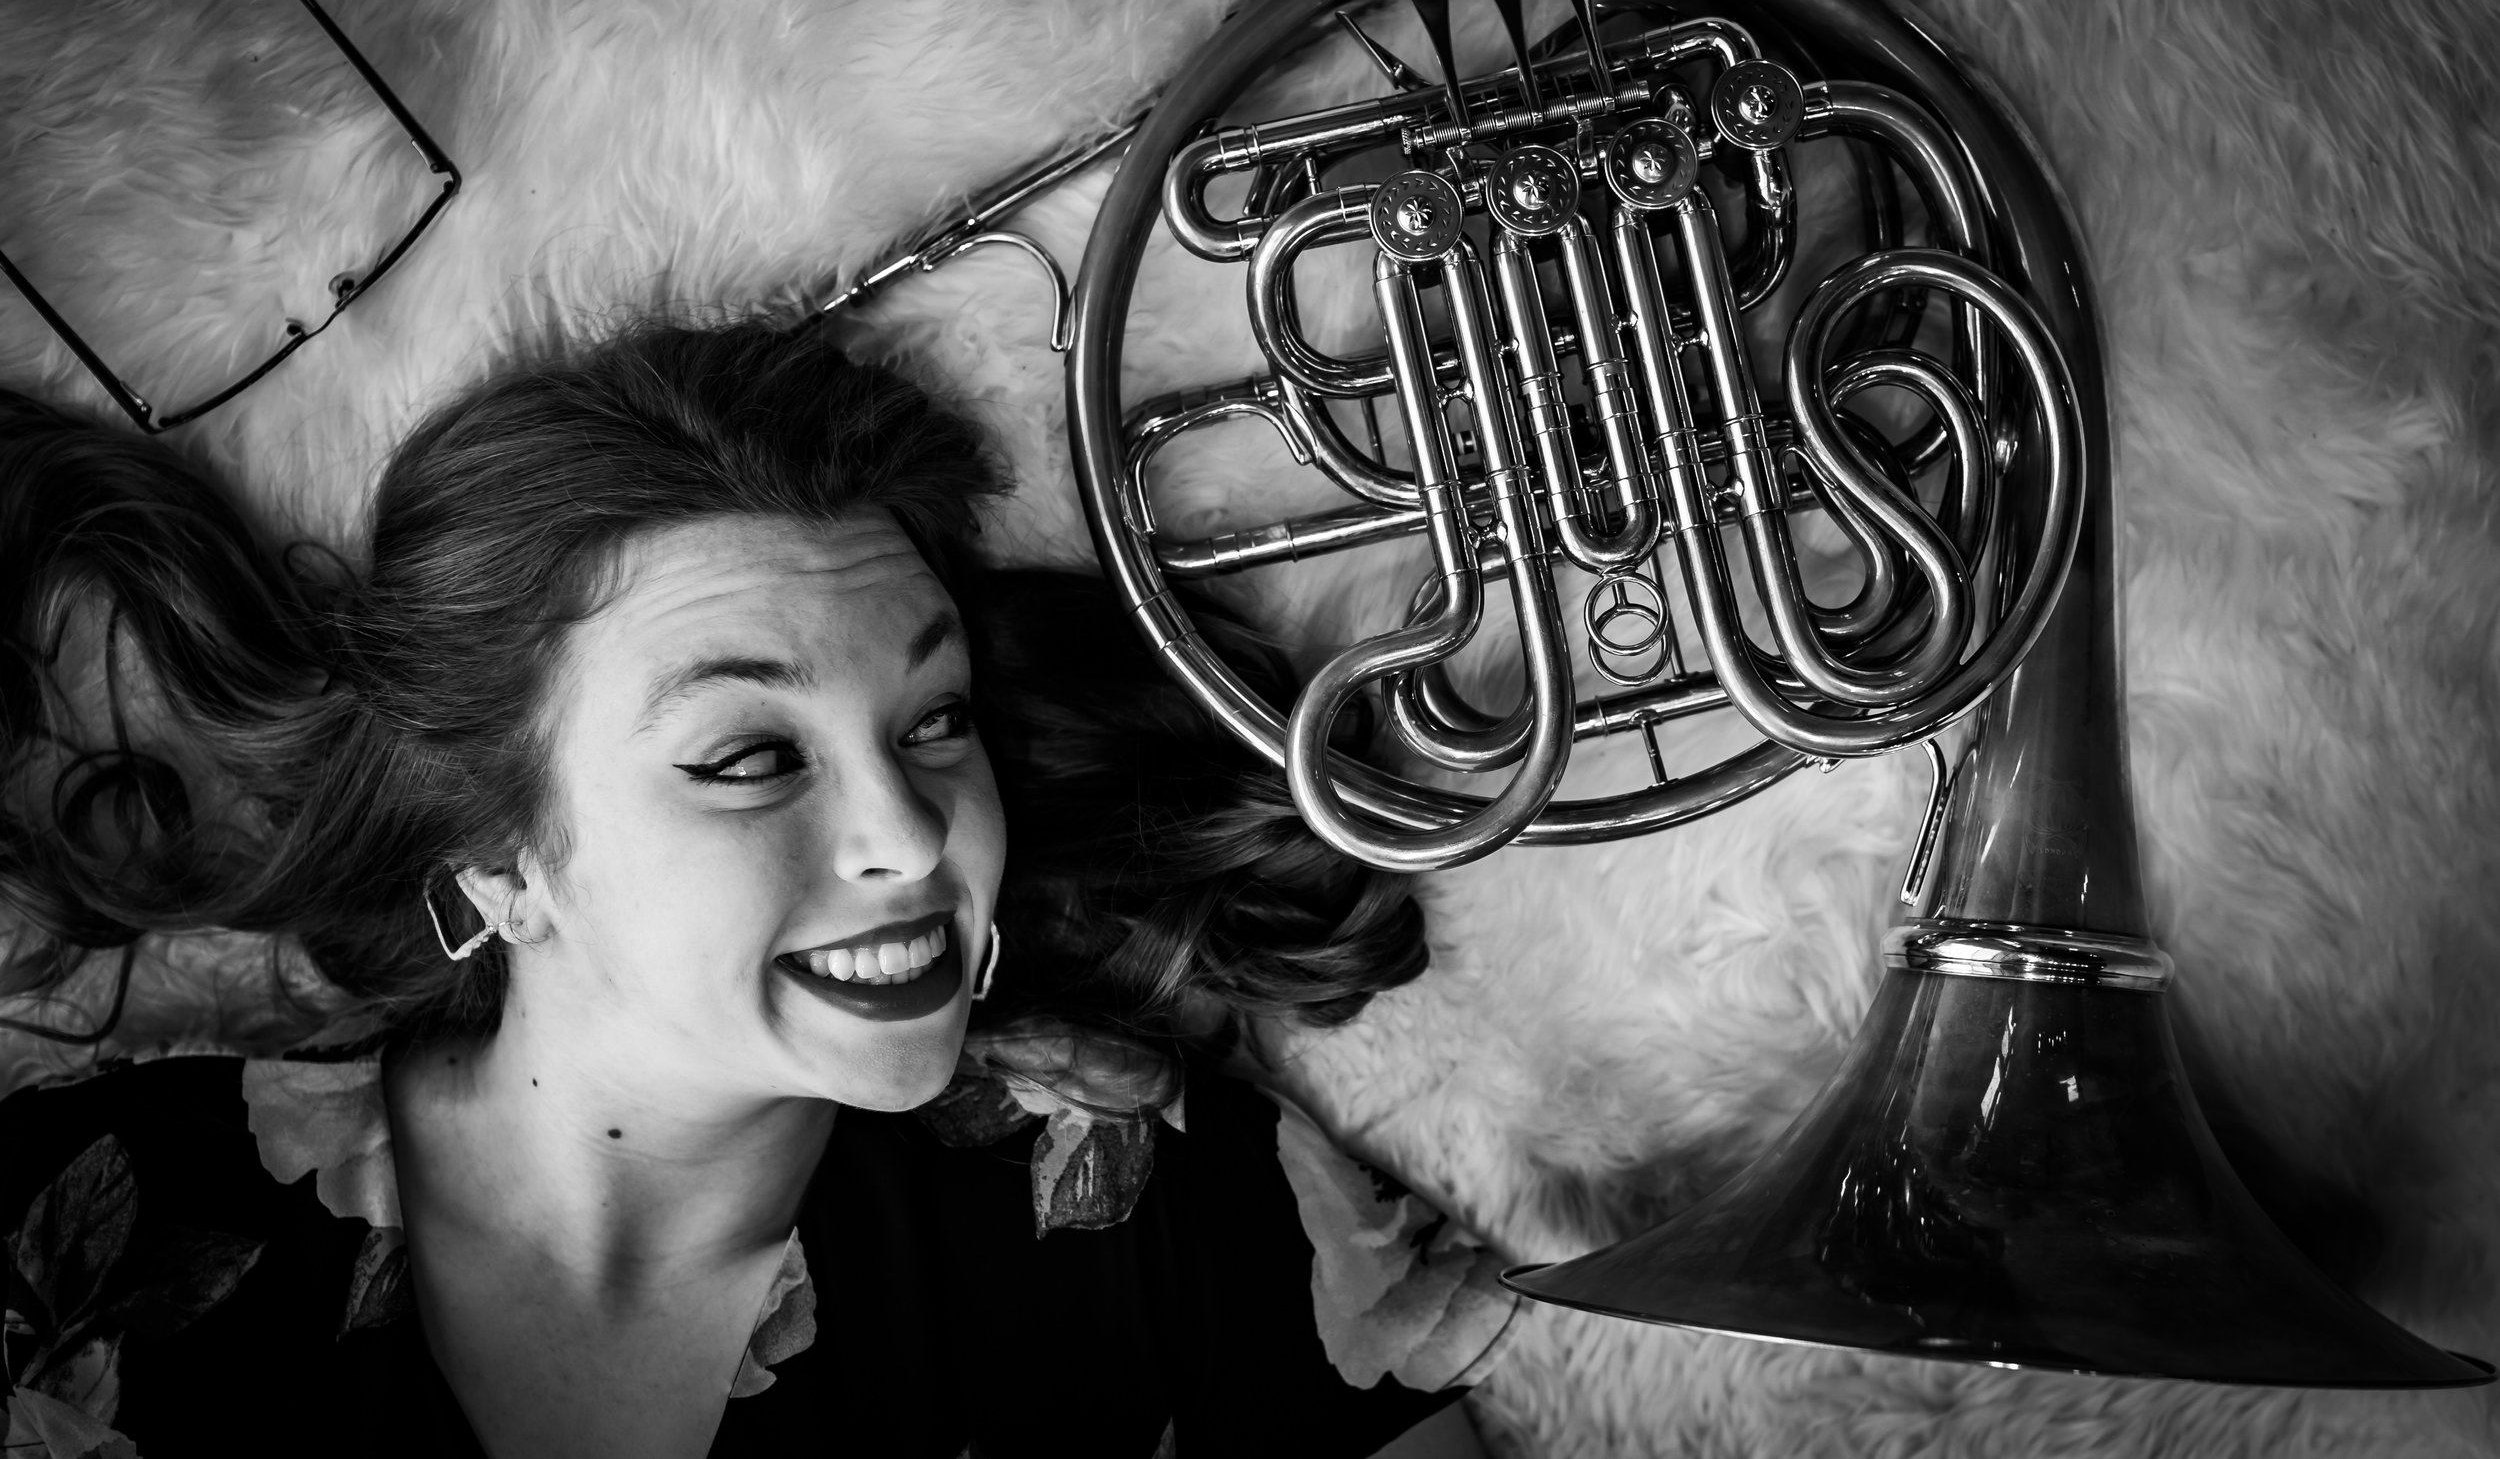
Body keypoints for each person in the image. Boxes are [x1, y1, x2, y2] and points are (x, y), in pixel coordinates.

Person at [0, 322, 1512, 1458]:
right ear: (502, 859)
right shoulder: (81, 1217)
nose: (915, 836)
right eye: (744, 756)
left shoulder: (1178, 1209)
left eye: (934, 720)